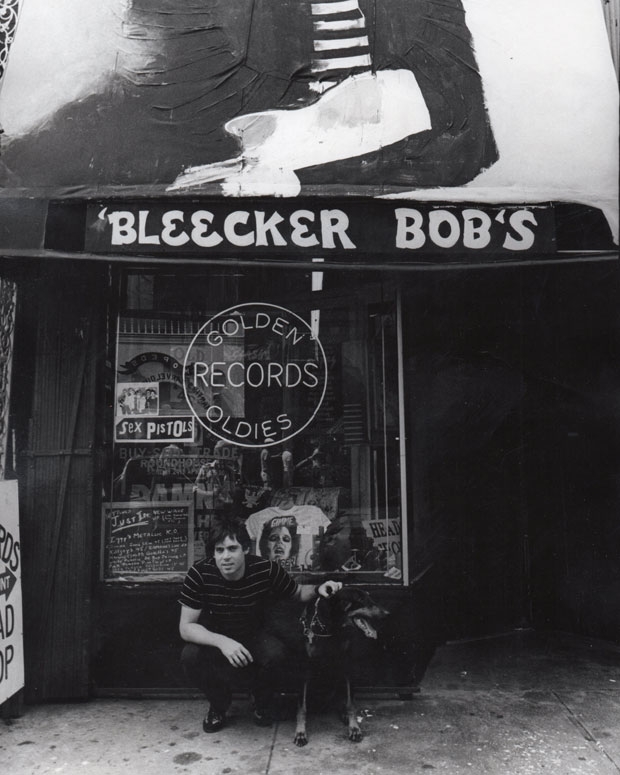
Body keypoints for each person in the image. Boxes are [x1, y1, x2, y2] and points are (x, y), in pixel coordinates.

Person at [178, 516, 342, 733]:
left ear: (245, 549)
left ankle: (261, 699)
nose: (225, 556)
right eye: (219, 550)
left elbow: (299, 592)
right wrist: (222, 642)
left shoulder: (265, 569)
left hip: (255, 635)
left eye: (232, 548)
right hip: (216, 639)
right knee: (190, 656)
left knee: (278, 654)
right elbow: (186, 627)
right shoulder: (199, 574)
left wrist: (320, 588)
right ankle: (219, 705)